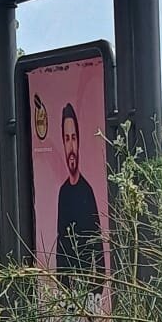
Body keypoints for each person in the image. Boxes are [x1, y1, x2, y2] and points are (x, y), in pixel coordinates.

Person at [53, 103, 104, 281]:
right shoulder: (63, 192)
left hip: (87, 292)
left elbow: (99, 251)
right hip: (67, 293)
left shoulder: (87, 192)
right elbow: (60, 245)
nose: (71, 146)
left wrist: (94, 290)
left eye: (73, 137)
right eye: (66, 138)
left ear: (79, 141)